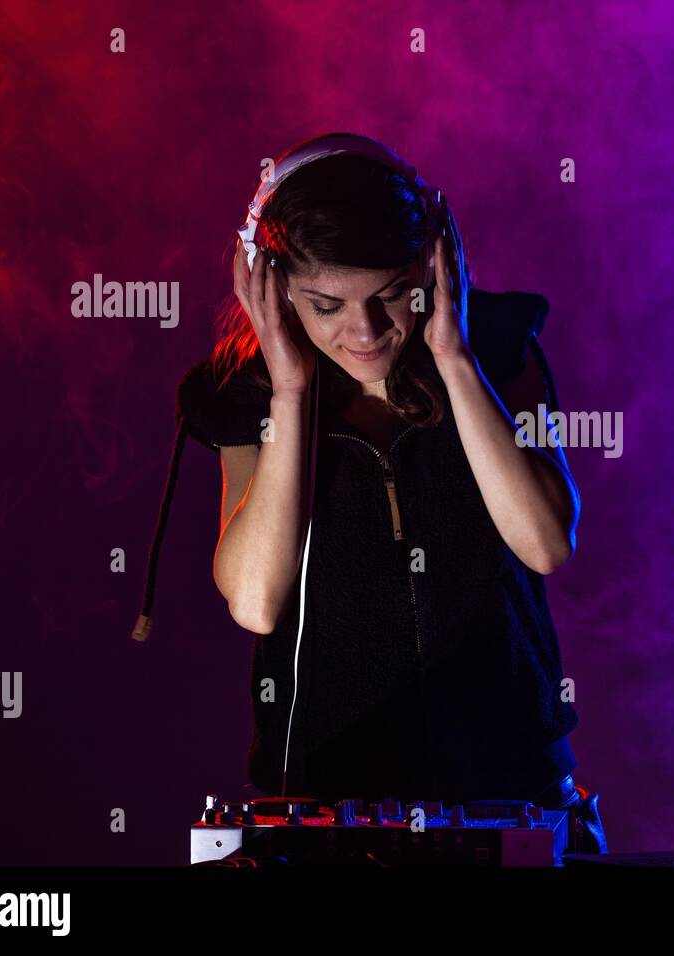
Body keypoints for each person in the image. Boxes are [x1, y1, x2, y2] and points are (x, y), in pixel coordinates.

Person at [132, 133, 605, 852]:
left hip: (511, 780)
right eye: (326, 305)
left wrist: (454, 356)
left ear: (434, 263)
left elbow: (543, 542)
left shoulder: (501, 350)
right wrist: (290, 393)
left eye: (391, 296)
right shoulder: (245, 392)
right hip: (330, 789)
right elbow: (255, 599)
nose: (365, 331)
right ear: (272, 283)